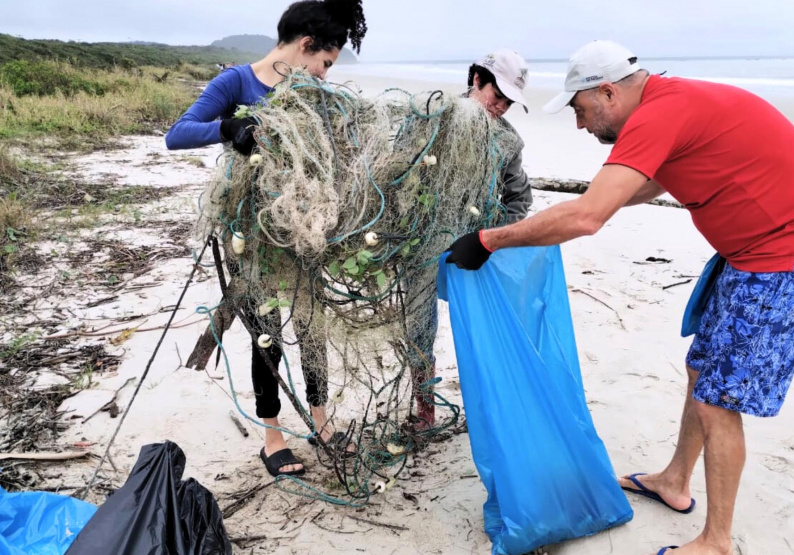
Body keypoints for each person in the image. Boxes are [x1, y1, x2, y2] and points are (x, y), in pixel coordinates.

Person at [445, 40, 794, 555]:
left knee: (719, 402)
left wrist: (489, 240)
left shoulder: (658, 114)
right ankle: (674, 481)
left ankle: (717, 542)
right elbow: (651, 182)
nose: (580, 124)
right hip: (749, 253)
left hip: (786, 258)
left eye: (580, 109)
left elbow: (587, 218)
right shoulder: (669, 103)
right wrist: (602, 200)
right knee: (701, 372)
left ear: (608, 92)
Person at [165, 0, 367, 477]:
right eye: (325, 63)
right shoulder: (236, 82)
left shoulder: (313, 94)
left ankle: (321, 422)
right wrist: (228, 127)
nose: (325, 75)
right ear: (305, 45)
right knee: (266, 333)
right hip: (251, 235)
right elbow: (177, 134)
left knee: (313, 328)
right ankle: (272, 437)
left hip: (304, 230)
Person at [405, 49, 533, 432]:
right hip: (423, 243)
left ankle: (491, 408)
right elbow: (400, 172)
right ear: (477, 80)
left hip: (473, 248)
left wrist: (491, 239)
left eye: (509, 102)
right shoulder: (434, 117)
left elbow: (519, 199)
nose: (501, 107)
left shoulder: (508, 142)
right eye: (498, 96)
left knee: (481, 326)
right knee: (418, 326)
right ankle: (425, 411)